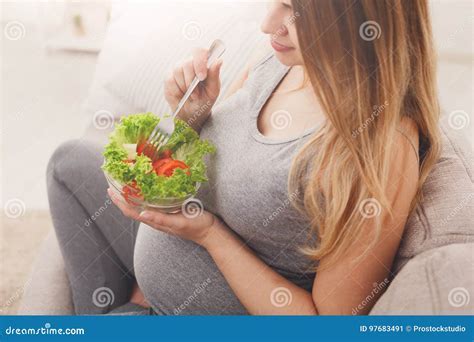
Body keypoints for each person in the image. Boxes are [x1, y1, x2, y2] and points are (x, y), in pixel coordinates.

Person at [47, 0, 441, 315]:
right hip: (174, 244)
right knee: (69, 164)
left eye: (293, 10)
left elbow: (325, 324)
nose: (269, 23)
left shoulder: (381, 144)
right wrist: (192, 118)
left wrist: (207, 234)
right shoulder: (280, 64)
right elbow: (208, 164)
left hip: (206, 302)